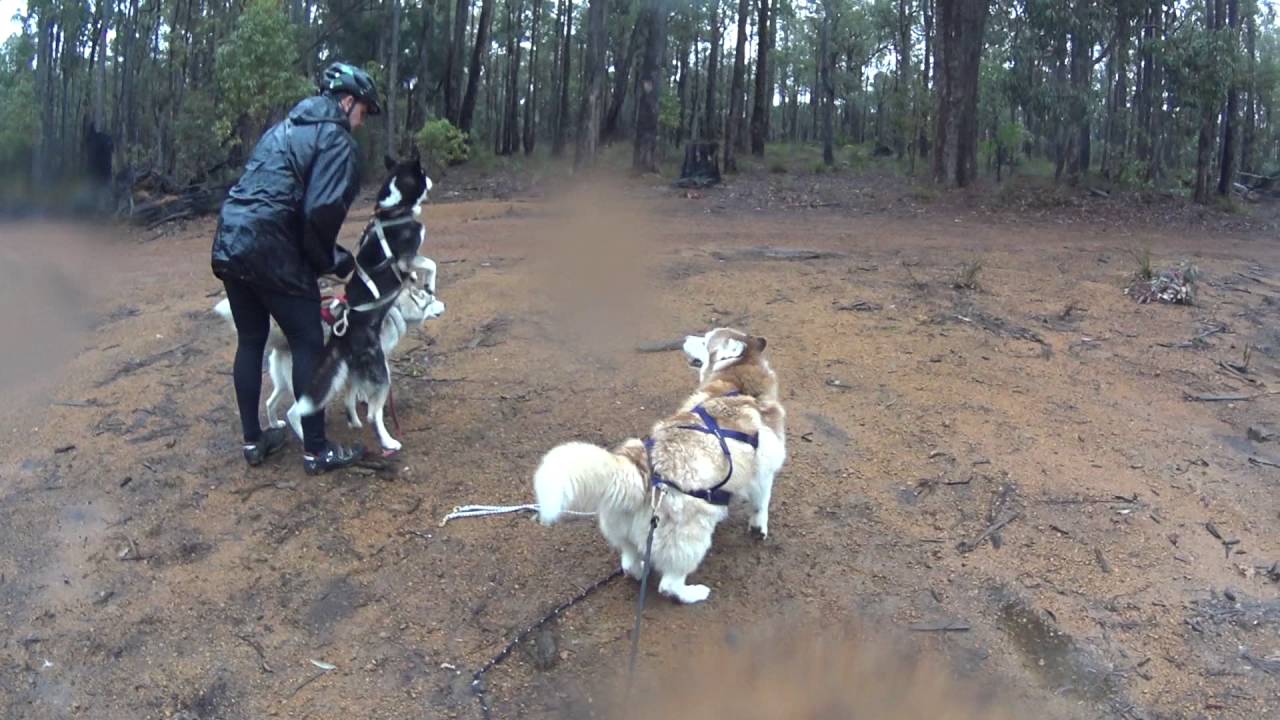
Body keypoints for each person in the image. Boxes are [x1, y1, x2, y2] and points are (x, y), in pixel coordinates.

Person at [211, 62, 381, 475]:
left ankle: (254, 441)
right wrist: (332, 260)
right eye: (363, 112)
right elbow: (319, 211)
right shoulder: (337, 140)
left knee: (251, 339)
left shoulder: (281, 129)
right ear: (347, 102)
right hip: (273, 247)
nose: (361, 122)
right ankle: (316, 450)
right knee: (308, 341)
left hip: (231, 239)